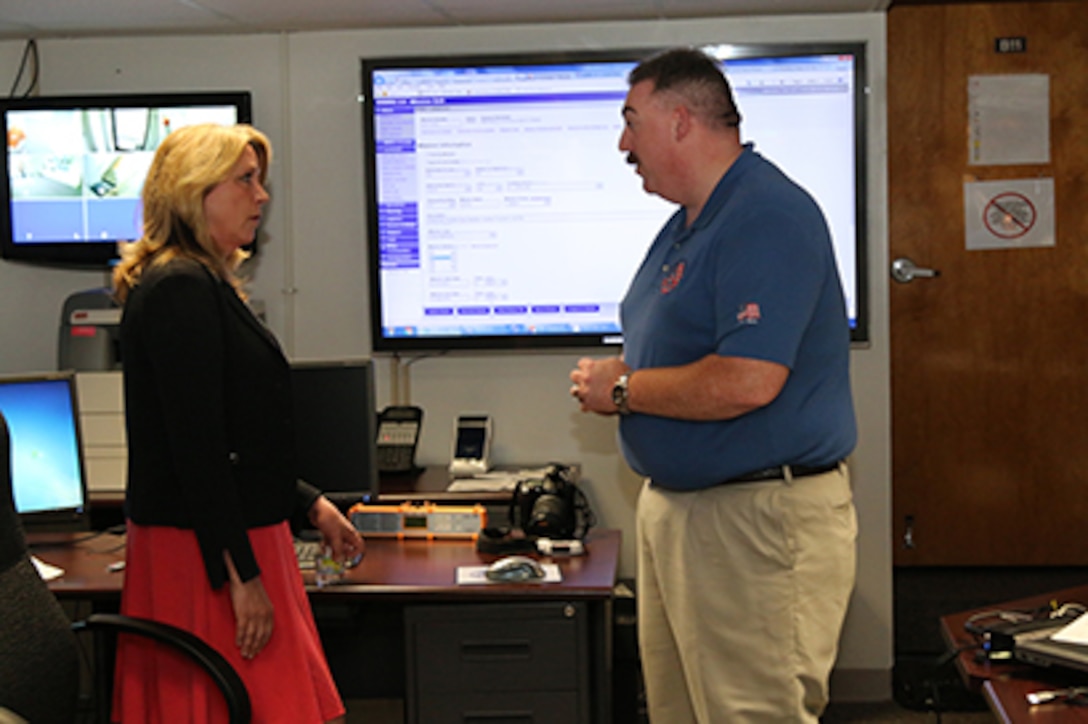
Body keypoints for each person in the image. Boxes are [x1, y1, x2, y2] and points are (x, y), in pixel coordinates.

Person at [569, 48, 858, 723]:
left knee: (750, 714)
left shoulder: (766, 214)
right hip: (688, 516)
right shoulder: (689, 224)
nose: (622, 143)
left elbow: (748, 380)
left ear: (678, 121)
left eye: (630, 121)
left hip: (754, 522)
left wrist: (622, 390)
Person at [111, 123, 364, 724]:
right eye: (245, 180)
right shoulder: (180, 288)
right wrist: (241, 578)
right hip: (210, 557)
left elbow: (235, 435)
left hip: (232, 539)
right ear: (195, 191)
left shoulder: (200, 283)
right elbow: (197, 448)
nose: (262, 196)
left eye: (261, 180)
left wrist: (306, 503)